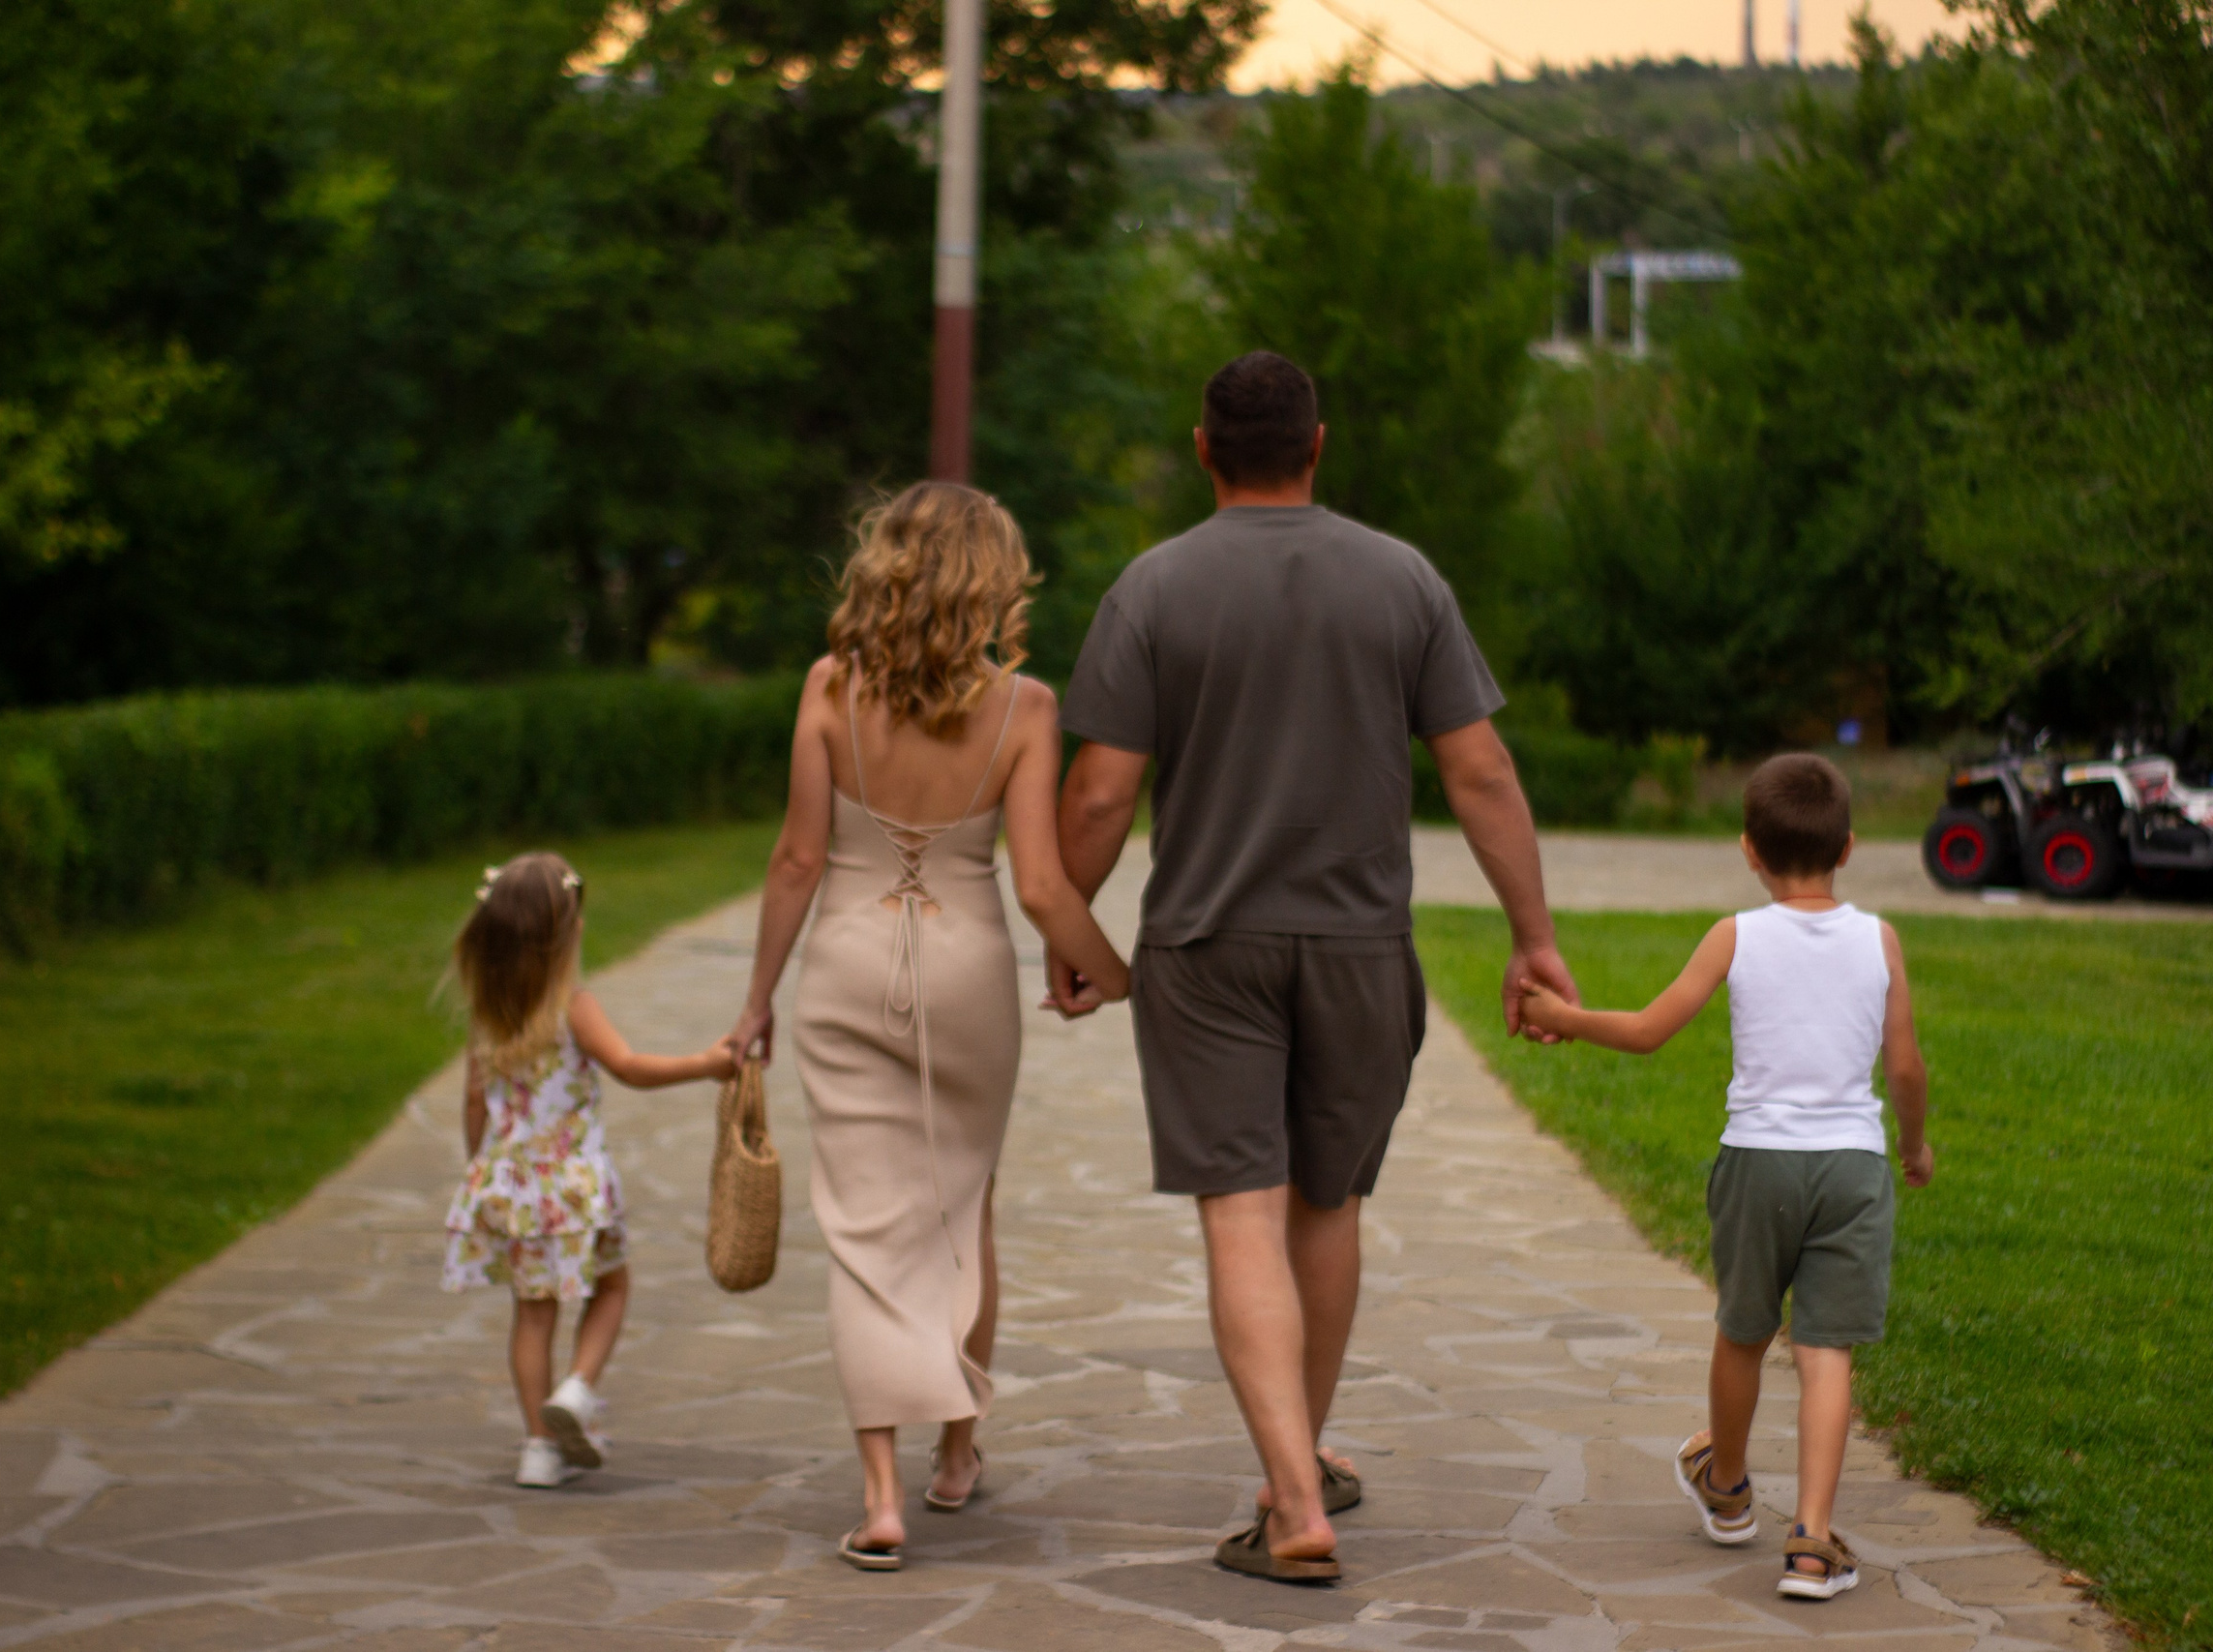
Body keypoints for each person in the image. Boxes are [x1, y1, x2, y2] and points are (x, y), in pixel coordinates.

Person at [1051, 350, 1576, 1583]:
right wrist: (1532, 935)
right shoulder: (1402, 579)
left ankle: (1294, 1497)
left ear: (1201, 450)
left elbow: (1101, 790)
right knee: (1324, 1206)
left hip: (1207, 950)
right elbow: (1482, 770)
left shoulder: (1150, 589)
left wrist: (1065, 925)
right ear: (1318, 445)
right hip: (1356, 948)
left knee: (1240, 1214)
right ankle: (1304, 1458)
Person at [728, 482, 1131, 1572]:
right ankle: (958, 1454)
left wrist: (757, 998)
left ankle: (879, 1495)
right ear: (994, 583)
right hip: (968, 978)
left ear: (887, 566)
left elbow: (798, 862)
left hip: (848, 971)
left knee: (864, 1228)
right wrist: (1116, 976)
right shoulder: (1027, 710)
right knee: (962, 1209)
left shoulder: (828, 687)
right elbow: (1043, 889)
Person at [1516, 753, 1933, 1602]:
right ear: (1849, 846)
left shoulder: (1735, 934)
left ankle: (1731, 1487)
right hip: (1853, 1166)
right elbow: (1907, 1066)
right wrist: (1915, 1147)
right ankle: (1812, 1539)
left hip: (1758, 1163)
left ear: (1749, 849)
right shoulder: (1878, 938)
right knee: (1826, 1352)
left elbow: (1645, 1029)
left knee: (1745, 1330)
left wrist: (1562, 1016)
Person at [442, 852, 738, 1488]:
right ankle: (577, 1389)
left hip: (512, 1184)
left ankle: (538, 1448)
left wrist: (480, 1168)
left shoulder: (487, 1014)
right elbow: (628, 1066)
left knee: (532, 1311)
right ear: (567, 932)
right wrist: (706, 1062)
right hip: (574, 1187)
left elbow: (474, 1101)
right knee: (611, 1287)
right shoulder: (573, 1006)